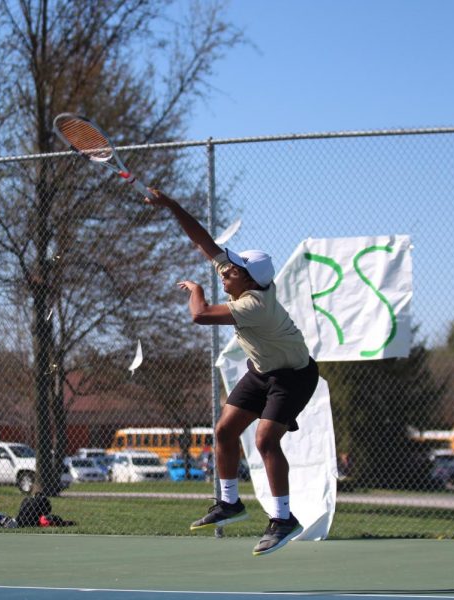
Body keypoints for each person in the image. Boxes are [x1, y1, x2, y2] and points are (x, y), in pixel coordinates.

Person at [145, 188, 320, 556]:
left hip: (293, 376)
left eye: (233, 269)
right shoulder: (241, 276)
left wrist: (194, 289)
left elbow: (199, 315)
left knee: (264, 441)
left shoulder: (255, 304)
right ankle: (229, 503)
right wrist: (171, 205)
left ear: (249, 279)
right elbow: (202, 239)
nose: (225, 271)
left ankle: (284, 518)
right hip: (262, 370)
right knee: (224, 431)